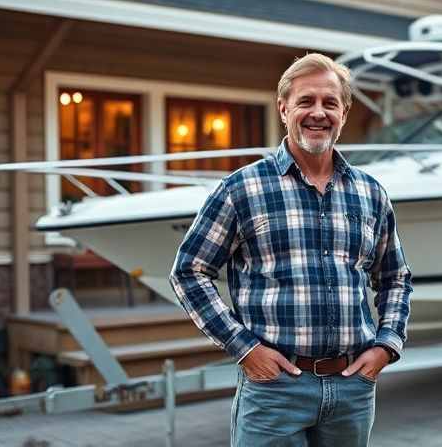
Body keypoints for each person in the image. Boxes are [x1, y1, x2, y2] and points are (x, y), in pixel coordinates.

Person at [169, 53, 413, 447]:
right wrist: (244, 348)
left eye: (330, 102)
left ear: (345, 112)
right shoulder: (242, 188)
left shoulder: (370, 193)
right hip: (274, 391)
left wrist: (387, 345)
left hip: (351, 390)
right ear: (284, 109)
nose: (318, 112)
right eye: (306, 101)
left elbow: (395, 278)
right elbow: (189, 272)